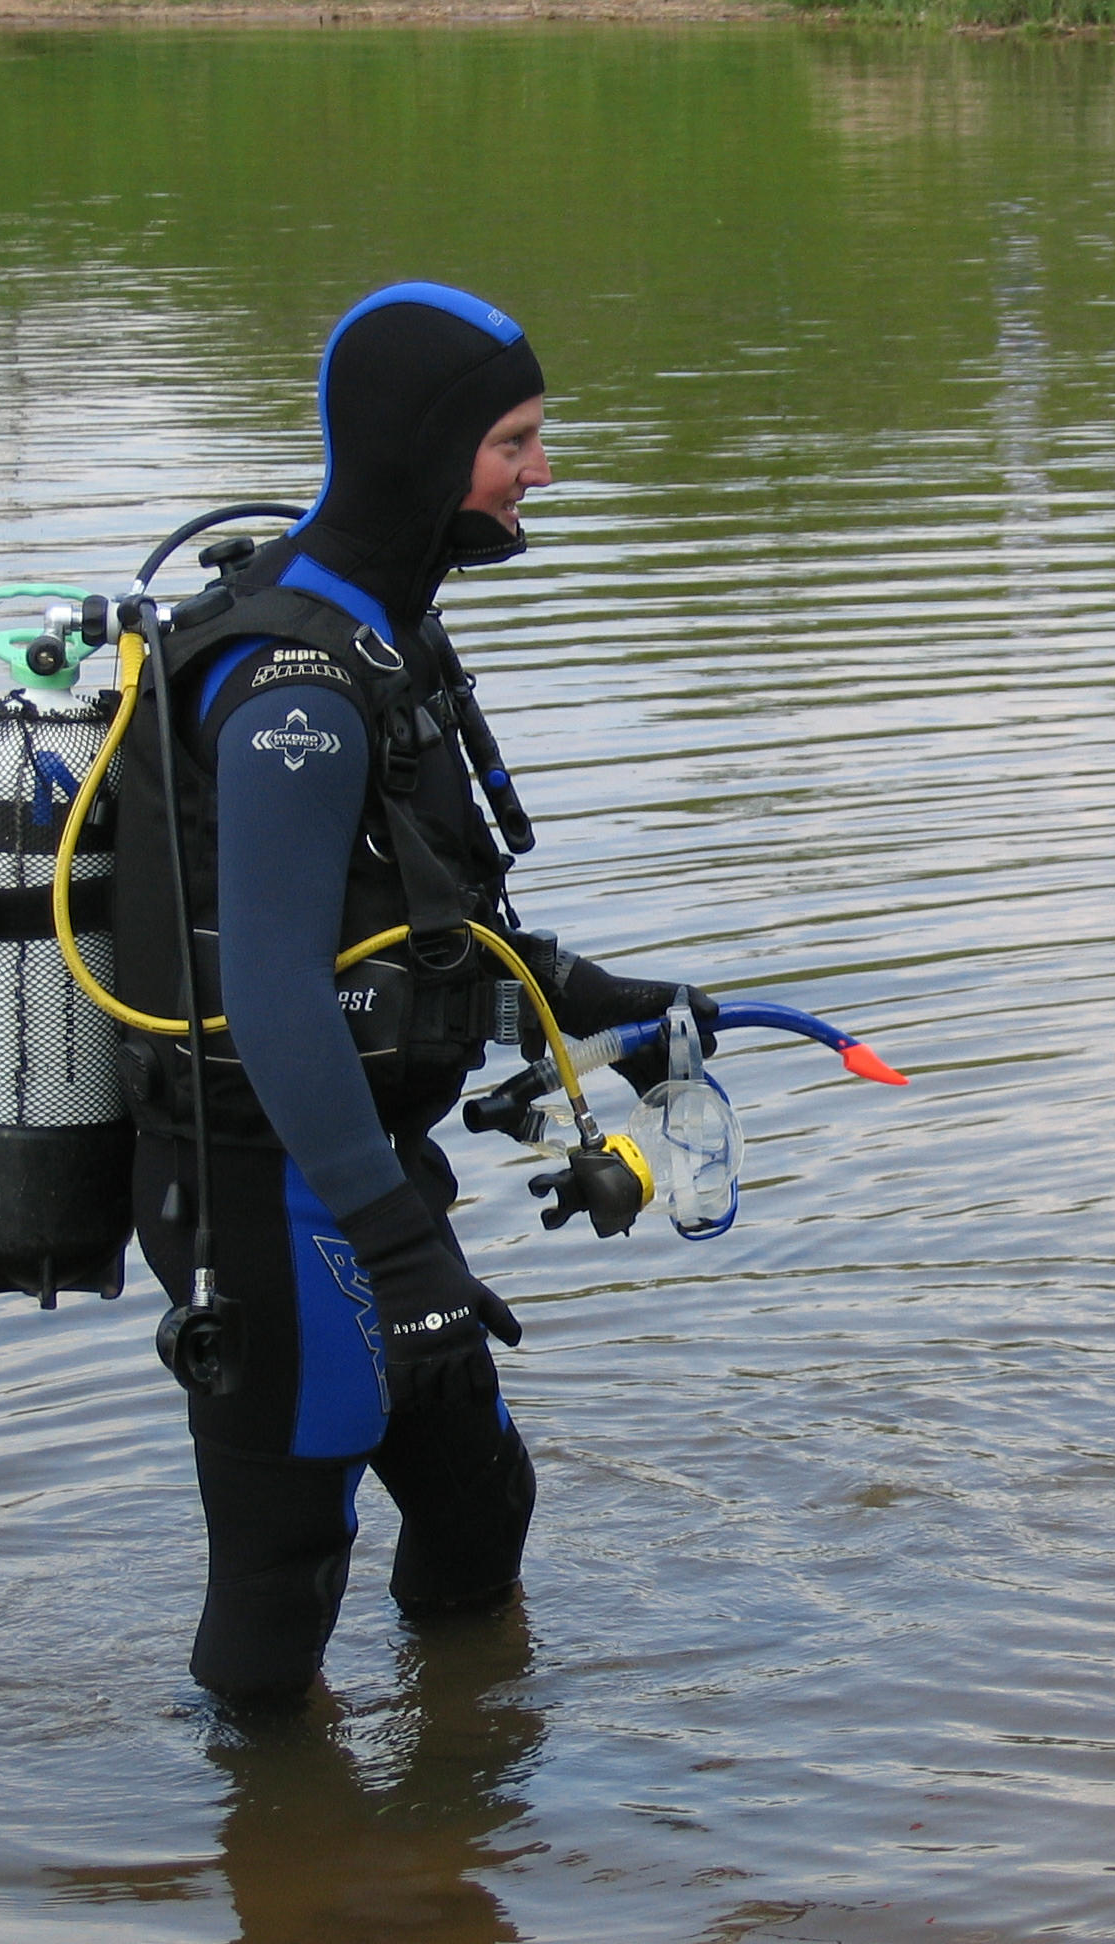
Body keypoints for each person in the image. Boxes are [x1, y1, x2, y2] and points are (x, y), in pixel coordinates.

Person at [111, 283, 716, 1703]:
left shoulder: (388, 639)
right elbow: (275, 996)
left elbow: (413, 928)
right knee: (283, 1572)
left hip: (363, 1163)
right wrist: (398, 1252)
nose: (541, 471)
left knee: (477, 1506)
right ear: (420, 451)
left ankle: (463, 1788)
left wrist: (598, 1001)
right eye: (514, 442)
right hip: (263, 1191)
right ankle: (267, 1818)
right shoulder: (298, 694)